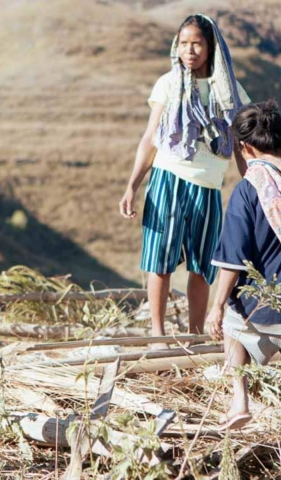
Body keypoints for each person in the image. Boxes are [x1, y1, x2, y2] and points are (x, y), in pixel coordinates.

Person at [119, 14, 251, 345]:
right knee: (160, 260)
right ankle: (158, 335)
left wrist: (255, 186)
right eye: (183, 43)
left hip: (207, 189)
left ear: (210, 47)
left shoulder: (230, 92)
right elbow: (151, 138)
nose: (189, 50)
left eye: (196, 43)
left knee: (203, 267)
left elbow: (241, 145)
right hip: (167, 180)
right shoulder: (167, 84)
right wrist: (132, 185)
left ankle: (195, 338)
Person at [207, 100, 281, 430]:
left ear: (244, 146)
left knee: (232, 319)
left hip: (264, 312)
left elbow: (231, 261)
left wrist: (217, 306)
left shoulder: (248, 190)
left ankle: (240, 399)